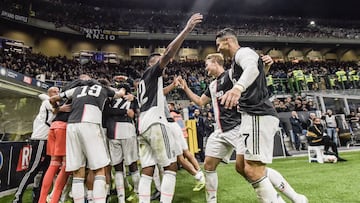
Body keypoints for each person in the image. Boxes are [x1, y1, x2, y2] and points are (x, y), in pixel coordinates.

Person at [179, 52, 306, 203]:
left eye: (207, 65)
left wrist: (265, 67)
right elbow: (200, 102)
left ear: (215, 62)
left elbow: (252, 78)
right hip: (220, 131)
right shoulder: (212, 85)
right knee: (208, 166)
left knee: (253, 169)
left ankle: (295, 197)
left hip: (237, 128)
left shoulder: (232, 75)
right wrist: (186, 88)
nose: (205, 69)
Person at [215, 28, 308, 203]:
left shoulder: (243, 53)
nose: (218, 48)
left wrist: (237, 88)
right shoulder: (237, 62)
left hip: (258, 114)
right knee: (241, 167)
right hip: (249, 116)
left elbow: (252, 68)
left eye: (218, 44)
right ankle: (297, 198)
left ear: (227, 41)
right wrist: (263, 68)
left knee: (253, 170)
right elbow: (256, 76)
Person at [136, 13, 203, 203]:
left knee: (147, 170)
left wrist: (172, 86)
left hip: (143, 126)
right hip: (157, 124)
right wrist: (187, 29)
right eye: (160, 62)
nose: (165, 64)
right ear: (153, 64)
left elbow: (158, 93)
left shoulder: (144, 81)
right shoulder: (153, 71)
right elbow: (167, 53)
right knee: (171, 167)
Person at [50, 75, 126, 203]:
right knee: (99, 169)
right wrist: (123, 85)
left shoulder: (77, 89)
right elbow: (120, 94)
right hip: (90, 124)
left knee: (77, 172)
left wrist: (57, 109)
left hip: (72, 126)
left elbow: (53, 99)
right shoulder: (103, 88)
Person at [13, 87, 59, 203]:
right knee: (32, 169)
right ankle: (17, 197)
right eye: (54, 92)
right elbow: (55, 111)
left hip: (49, 141)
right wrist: (62, 108)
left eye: (58, 91)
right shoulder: (46, 102)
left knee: (46, 171)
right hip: (40, 140)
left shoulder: (51, 102)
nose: (57, 93)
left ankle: (38, 197)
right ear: (49, 94)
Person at [103, 84, 140, 203]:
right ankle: (137, 193)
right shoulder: (132, 100)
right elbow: (135, 113)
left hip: (113, 131)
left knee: (118, 167)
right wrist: (126, 110)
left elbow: (107, 111)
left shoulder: (111, 99)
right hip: (127, 130)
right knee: (132, 164)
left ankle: (121, 199)